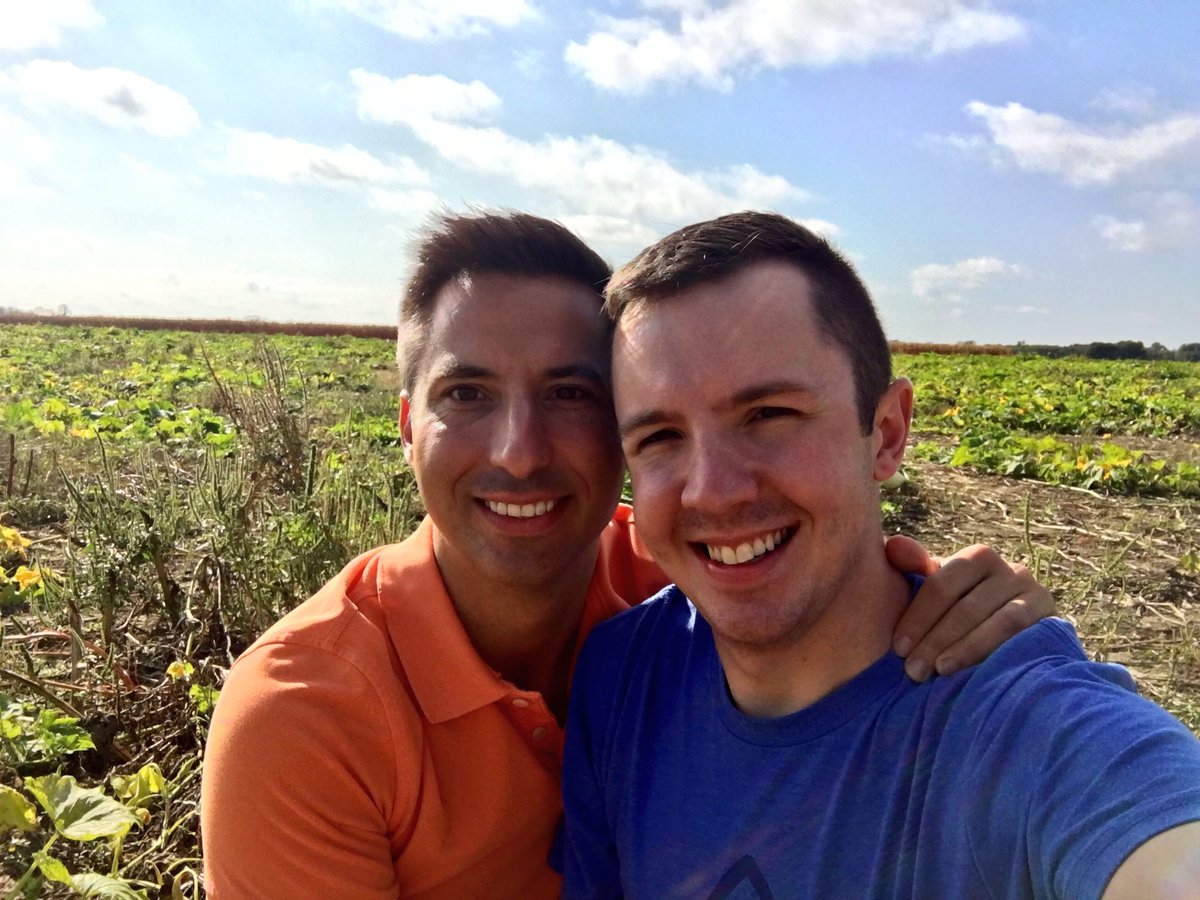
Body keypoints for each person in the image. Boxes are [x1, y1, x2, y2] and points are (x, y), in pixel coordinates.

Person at [200, 211, 1055, 898]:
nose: (521, 452)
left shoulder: (692, 578)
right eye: (466, 395)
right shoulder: (304, 717)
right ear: (406, 429)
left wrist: (975, 607)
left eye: (570, 395)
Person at [561, 211, 1200, 898]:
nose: (713, 491)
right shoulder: (621, 678)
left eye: (771, 414)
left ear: (888, 432)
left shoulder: (1017, 725)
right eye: (659, 437)